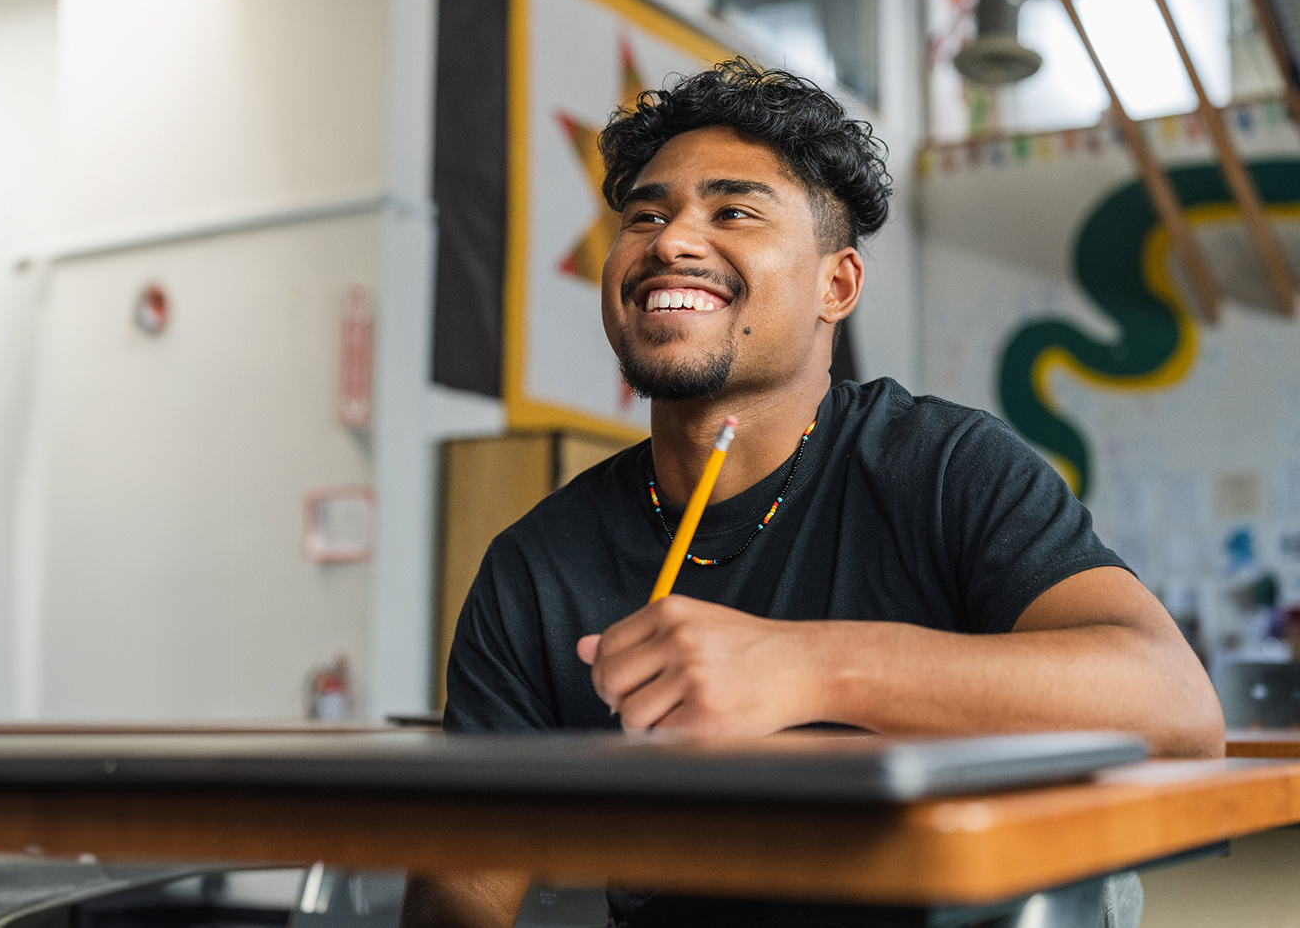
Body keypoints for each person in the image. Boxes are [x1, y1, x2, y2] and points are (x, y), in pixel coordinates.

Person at [400, 59, 1223, 928]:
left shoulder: (943, 467)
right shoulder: (538, 564)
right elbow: (464, 880)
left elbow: (1175, 708)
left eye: (733, 211)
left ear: (837, 285)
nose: (670, 240)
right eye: (646, 213)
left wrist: (808, 668)